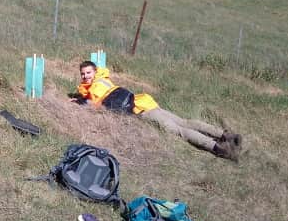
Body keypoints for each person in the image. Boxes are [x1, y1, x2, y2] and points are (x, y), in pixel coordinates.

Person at [70, 61, 242, 161]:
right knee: (183, 121)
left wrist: (79, 101)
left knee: (180, 130)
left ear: (95, 71)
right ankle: (226, 135)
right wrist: (81, 96)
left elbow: (95, 104)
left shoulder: (96, 85)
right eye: (83, 73)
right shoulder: (103, 78)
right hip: (144, 101)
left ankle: (218, 148)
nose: (86, 76)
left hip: (142, 110)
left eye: (88, 72)